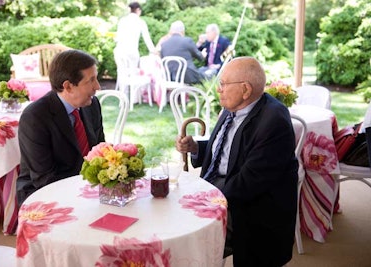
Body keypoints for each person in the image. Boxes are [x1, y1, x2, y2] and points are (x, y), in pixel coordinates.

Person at [176, 57, 298, 266]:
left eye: (223, 84)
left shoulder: (273, 121)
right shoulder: (233, 107)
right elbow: (229, 152)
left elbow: (248, 183)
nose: (219, 90)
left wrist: (201, 199)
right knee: (168, 212)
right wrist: (197, 148)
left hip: (254, 209)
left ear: (245, 90)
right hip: (225, 185)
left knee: (183, 235)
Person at [16, 49, 105, 206]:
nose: (97, 86)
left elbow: (100, 151)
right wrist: (84, 194)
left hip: (86, 186)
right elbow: (44, 178)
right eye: (90, 80)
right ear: (68, 87)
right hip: (43, 194)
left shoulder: (91, 105)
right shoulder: (35, 117)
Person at [160, 20, 205, 85]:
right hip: (187, 76)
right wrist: (203, 55)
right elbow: (199, 57)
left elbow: (163, 61)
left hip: (169, 78)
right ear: (182, 31)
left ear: (171, 31)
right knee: (209, 75)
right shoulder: (187, 41)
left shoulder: (164, 44)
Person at [114, 2, 156, 69]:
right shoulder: (140, 22)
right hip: (132, 52)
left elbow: (117, 38)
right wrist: (153, 51)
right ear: (138, 10)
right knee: (132, 75)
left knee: (121, 74)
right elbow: (147, 39)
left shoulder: (122, 21)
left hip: (120, 51)